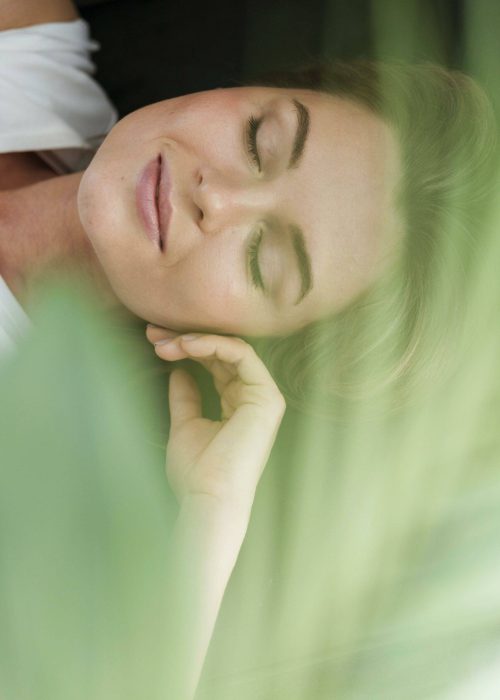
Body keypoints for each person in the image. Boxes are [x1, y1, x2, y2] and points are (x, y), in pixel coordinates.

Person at [1, 2, 497, 698]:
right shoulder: (25, 46)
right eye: (260, 139)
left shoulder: (29, 482)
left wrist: (208, 524)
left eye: (266, 258)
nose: (220, 198)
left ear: (257, 346)